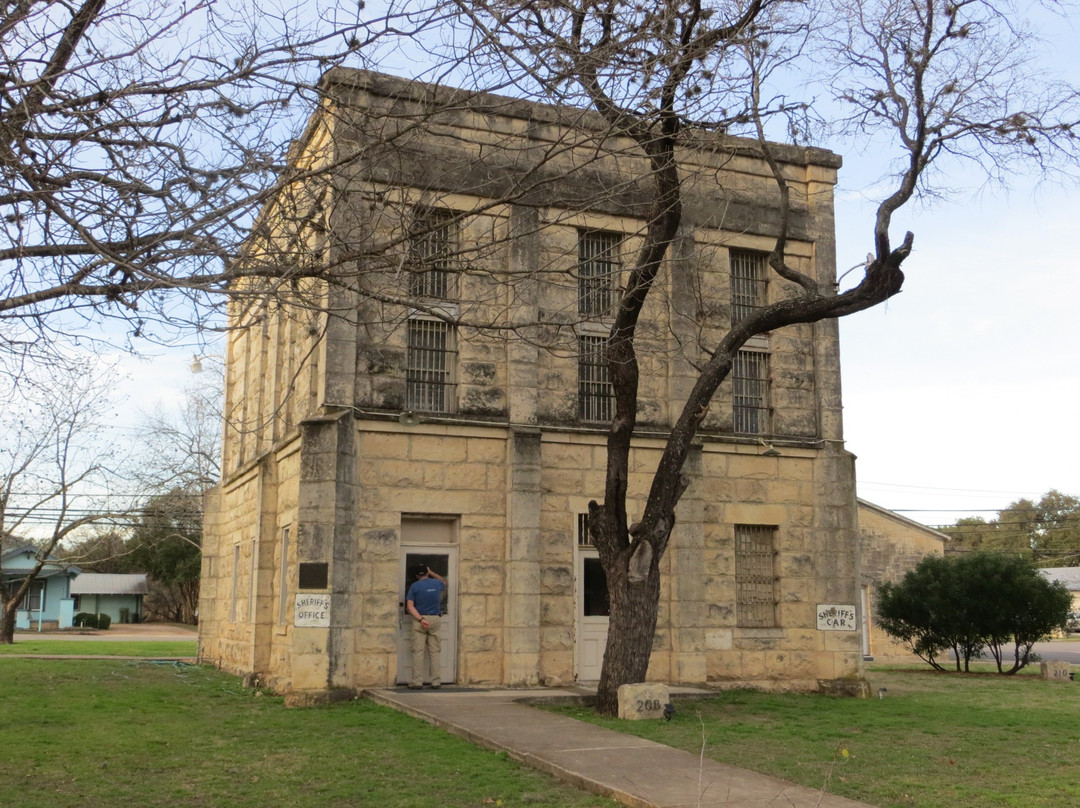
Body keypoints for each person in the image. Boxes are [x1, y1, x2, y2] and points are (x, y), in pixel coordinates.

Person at [405, 564, 446, 689]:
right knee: (435, 652)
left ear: (417, 575)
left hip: (420, 619)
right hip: (435, 619)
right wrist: (432, 572)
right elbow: (444, 582)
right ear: (427, 573)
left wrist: (421, 619)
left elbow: (410, 606)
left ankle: (417, 682)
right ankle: (436, 681)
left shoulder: (414, 586)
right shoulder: (437, 584)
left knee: (418, 652)